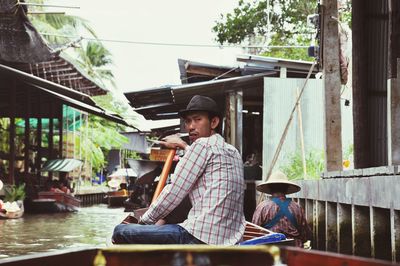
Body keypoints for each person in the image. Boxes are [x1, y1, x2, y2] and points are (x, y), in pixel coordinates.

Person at [112, 95, 246, 245]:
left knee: (121, 231)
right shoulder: (233, 151)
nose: (190, 126)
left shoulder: (202, 145)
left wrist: (144, 222)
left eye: (197, 119)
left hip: (198, 237)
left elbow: (174, 192)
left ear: (214, 122)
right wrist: (183, 145)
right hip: (232, 239)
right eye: (188, 121)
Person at [252, 171, 312, 247]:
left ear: (270, 188)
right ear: (286, 188)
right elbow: (305, 233)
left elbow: (254, 232)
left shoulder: (262, 207)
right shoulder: (296, 207)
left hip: (270, 250)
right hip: (294, 250)